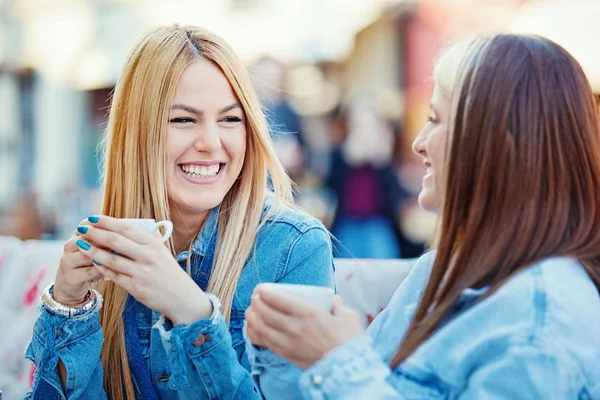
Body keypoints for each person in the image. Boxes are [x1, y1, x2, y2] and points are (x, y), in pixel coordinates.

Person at [245, 34, 600, 399]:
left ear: (498, 145)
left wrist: (338, 361)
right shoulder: (436, 271)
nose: (418, 141)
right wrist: (289, 352)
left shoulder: (540, 327)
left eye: (435, 118)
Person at [25, 25, 334, 399]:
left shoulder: (294, 248)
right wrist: (70, 307)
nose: (210, 142)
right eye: (183, 119)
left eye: (230, 119)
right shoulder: (109, 248)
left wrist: (191, 312)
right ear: (138, 133)